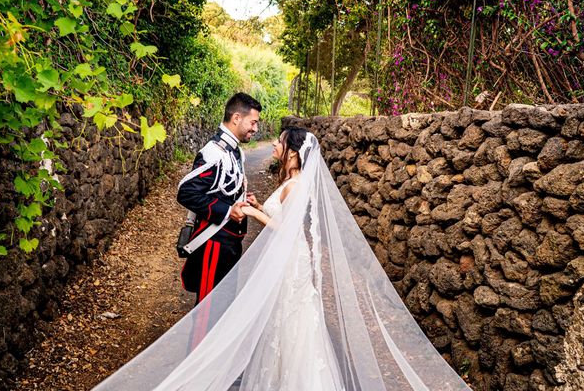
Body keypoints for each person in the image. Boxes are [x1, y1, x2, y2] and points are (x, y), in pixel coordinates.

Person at [93, 127, 472, 391]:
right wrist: (260, 205)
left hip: (292, 262)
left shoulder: (295, 183)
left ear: (292, 151)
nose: (273, 146)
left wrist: (254, 214)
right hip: (292, 261)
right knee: (285, 327)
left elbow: (285, 230)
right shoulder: (291, 183)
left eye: (278, 143)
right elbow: (284, 219)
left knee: (295, 326)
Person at [176, 92, 261, 305]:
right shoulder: (214, 152)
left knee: (222, 307)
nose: (255, 129)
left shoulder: (235, 151)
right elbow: (186, 192)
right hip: (214, 243)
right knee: (207, 310)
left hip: (229, 244)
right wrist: (227, 211)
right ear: (236, 119)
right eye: (253, 122)